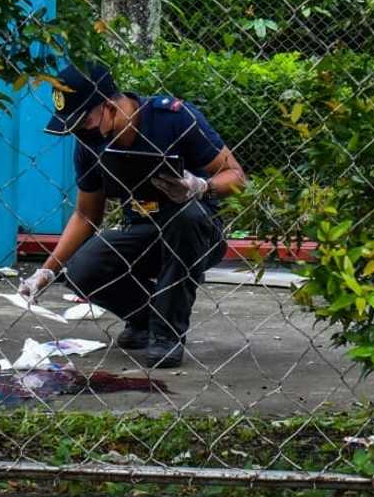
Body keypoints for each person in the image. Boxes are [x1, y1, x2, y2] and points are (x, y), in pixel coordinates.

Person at [17, 62, 246, 368]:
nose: (79, 133)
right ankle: (147, 319)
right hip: (140, 233)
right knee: (82, 268)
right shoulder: (90, 144)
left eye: (83, 122)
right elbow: (86, 216)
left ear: (110, 108)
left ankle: (167, 335)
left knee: (185, 218)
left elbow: (237, 177)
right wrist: (45, 272)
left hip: (197, 233)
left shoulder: (173, 118)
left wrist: (201, 186)